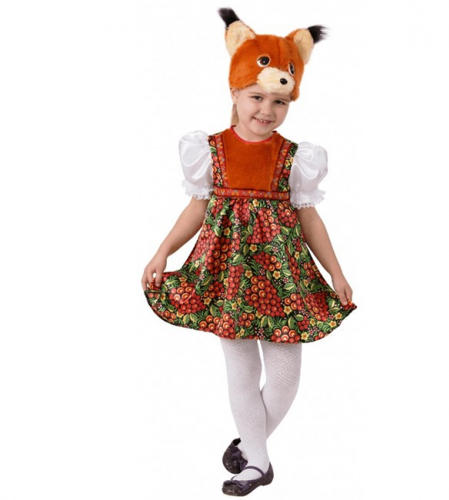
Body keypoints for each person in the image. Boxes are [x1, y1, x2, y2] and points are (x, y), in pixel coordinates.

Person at [141, 7, 357, 496]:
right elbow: (197, 208)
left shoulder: (295, 158)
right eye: (257, 97)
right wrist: (163, 252)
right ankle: (257, 464)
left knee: (284, 375)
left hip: (283, 276)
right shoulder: (210, 149)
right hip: (227, 275)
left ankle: (250, 444)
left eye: (279, 101)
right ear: (235, 93)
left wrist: (336, 272)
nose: (267, 110)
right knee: (241, 371)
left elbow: (310, 219)